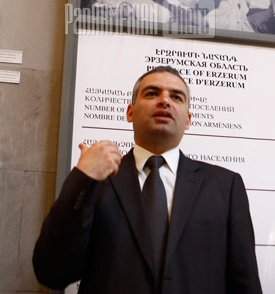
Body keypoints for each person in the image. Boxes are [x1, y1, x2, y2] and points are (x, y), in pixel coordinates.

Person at [33, 66, 262, 294]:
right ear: (130, 112)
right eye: (152, 93)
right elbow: (51, 272)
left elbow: (245, 283)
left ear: (189, 120)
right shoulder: (95, 181)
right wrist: (82, 178)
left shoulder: (225, 186)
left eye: (176, 97)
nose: (164, 101)